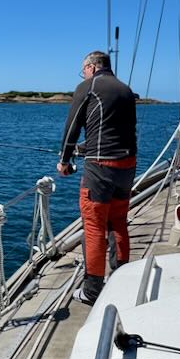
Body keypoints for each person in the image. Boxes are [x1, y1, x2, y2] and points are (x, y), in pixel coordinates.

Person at [57, 50, 137, 305]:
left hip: (100, 169)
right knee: (118, 223)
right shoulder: (125, 90)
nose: (82, 74)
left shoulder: (88, 87)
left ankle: (92, 292)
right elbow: (114, 130)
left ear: (91, 67)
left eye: (83, 70)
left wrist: (65, 160)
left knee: (93, 227)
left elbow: (72, 126)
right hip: (127, 165)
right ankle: (122, 279)